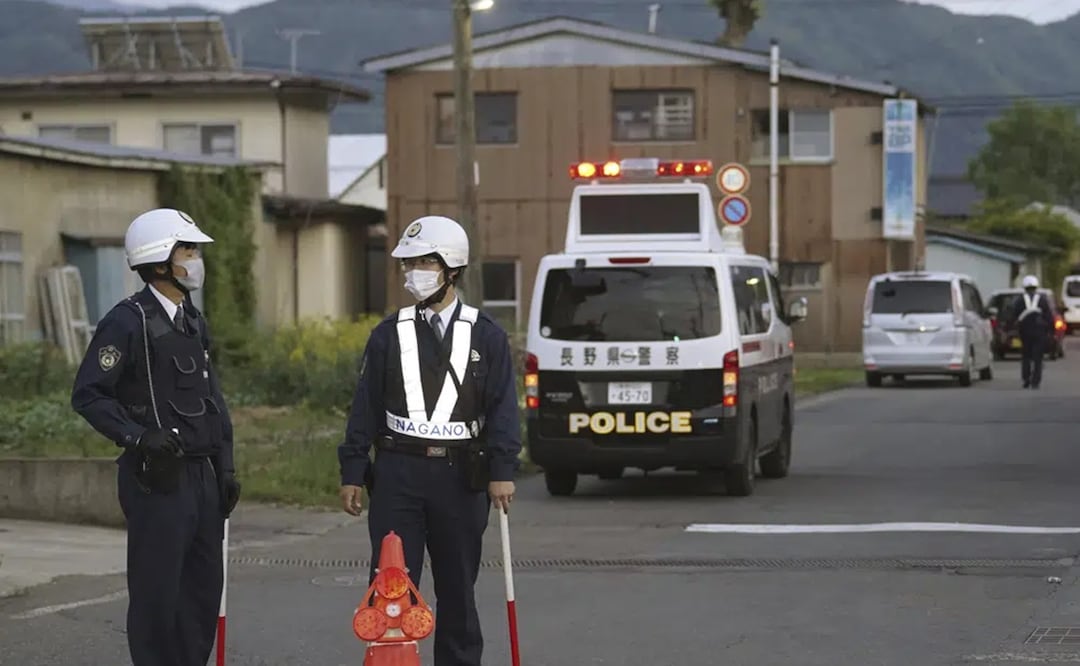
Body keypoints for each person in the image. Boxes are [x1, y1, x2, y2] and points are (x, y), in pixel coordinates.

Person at [338, 214, 521, 666]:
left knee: (458, 588)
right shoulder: (388, 333)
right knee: (391, 583)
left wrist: (502, 472)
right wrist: (353, 470)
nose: (411, 273)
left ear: (451, 268)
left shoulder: (487, 335)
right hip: (399, 472)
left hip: (461, 476)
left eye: (423, 262)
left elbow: (503, 408)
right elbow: (364, 406)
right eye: (408, 263)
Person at [71, 208, 242, 666]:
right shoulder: (127, 322)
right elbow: (89, 395)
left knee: (203, 593)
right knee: (157, 597)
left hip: (202, 477)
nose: (196, 259)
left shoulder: (191, 321)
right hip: (157, 479)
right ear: (161, 261)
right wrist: (138, 436)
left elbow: (213, 401)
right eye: (189, 250)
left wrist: (225, 468)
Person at [1012, 274, 1054, 389]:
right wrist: (1051, 331)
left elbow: (1014, 316)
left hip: (1024, 332)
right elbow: (1049, 317)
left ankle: (1026, 379)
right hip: (1040, 333)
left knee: (1026, 356)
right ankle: (1035, 381)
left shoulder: (1019, 300)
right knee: (1038, 358)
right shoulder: (1042, 299)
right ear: (1036, 286)